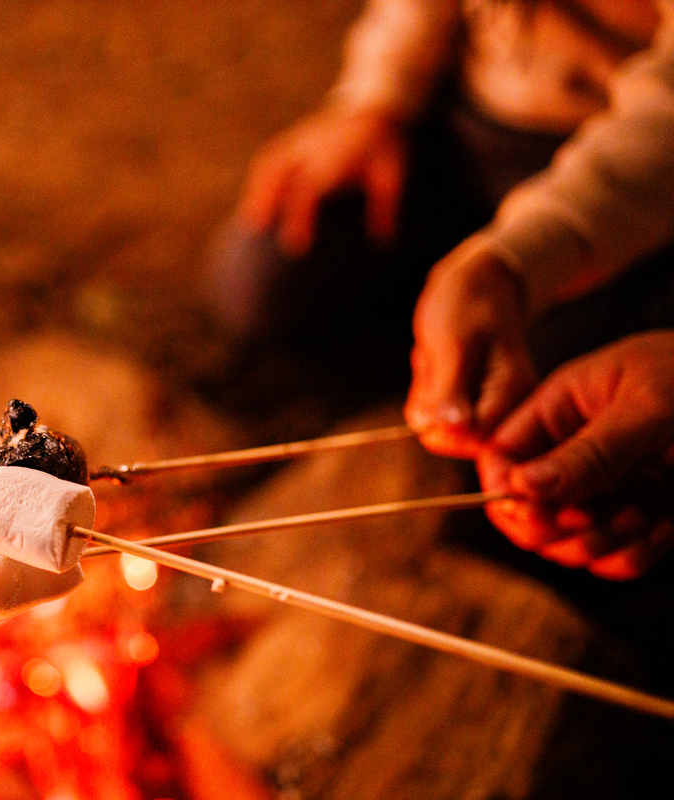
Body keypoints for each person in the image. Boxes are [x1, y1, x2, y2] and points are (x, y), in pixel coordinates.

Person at [227, 0, 674, 577]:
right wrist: (376, 100)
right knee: (262, 275)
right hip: (467, 120)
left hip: (632, 176)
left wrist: (512, 263)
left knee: (548, 431)